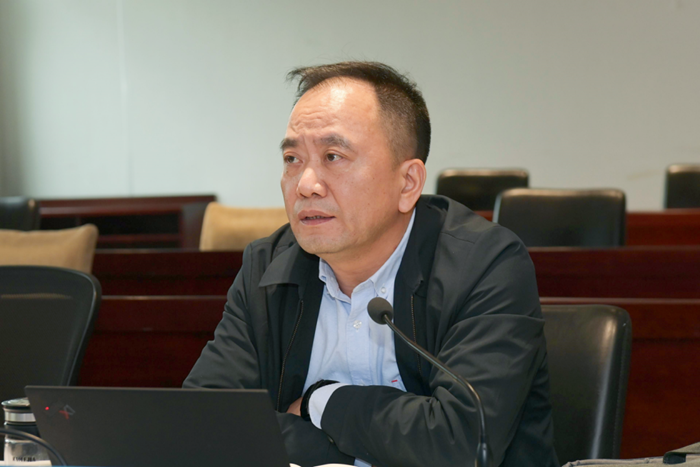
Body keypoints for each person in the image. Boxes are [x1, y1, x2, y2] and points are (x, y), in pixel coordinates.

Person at [184, 61, 559, 467]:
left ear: (408, 183)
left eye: (333, 156)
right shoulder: (267, 267)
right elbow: (204, 425)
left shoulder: (485, 265)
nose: (306, 184)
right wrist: (336, 450)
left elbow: (461, 443)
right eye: (292, 158)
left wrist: (320, 402)